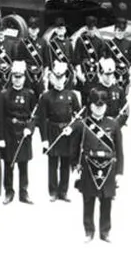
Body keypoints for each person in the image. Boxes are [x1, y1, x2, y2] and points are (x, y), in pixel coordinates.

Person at [71, 86, 122, 243]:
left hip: (108, 169)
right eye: (95, 106)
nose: (99, 109)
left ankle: (105, 231)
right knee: (88, 201)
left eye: (102, 106)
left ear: (106, 106)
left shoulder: (113, 125)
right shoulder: (82, 125)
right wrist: (75, 166)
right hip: (88, 167)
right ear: (90, 106)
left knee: (106, 201)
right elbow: (74, 148)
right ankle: (89, 231)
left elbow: (119, 150)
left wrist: (119, 172)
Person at [0, 60, 36, 204]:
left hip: (24, 134)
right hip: (9, 133)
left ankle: (23, 193)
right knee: (9, 164)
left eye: (20, 77)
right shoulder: (4, 94)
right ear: (11, 78)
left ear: (24, 78)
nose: (17, 80)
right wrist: (0, 137)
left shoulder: (30, 94)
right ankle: (9, 191)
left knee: (23, 165)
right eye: (15, 77)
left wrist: (29, 129)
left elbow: (34, 115)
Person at [38, 61, 81, 202]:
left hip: (67, 133)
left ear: (65, 78)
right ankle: (53, 192)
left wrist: (72, 128)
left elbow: (79, 117)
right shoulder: (46, 97)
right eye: (56, 77)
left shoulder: (72, 95)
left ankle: (63, 191)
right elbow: (42, 119)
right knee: (52, 163)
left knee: (65, 163)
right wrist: (44, 139)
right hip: (52, 131)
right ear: (52, 78)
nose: (59, 80)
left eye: (61, 77)